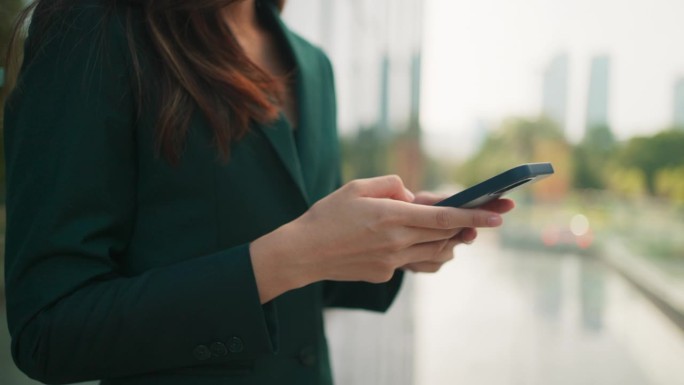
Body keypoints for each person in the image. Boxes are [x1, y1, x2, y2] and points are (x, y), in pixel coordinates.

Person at [2, 0, 515, 384]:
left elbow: (300, 263)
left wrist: (392, 242)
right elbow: (47, 331)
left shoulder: (313, 64)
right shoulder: (95, 27)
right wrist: (292, 255)